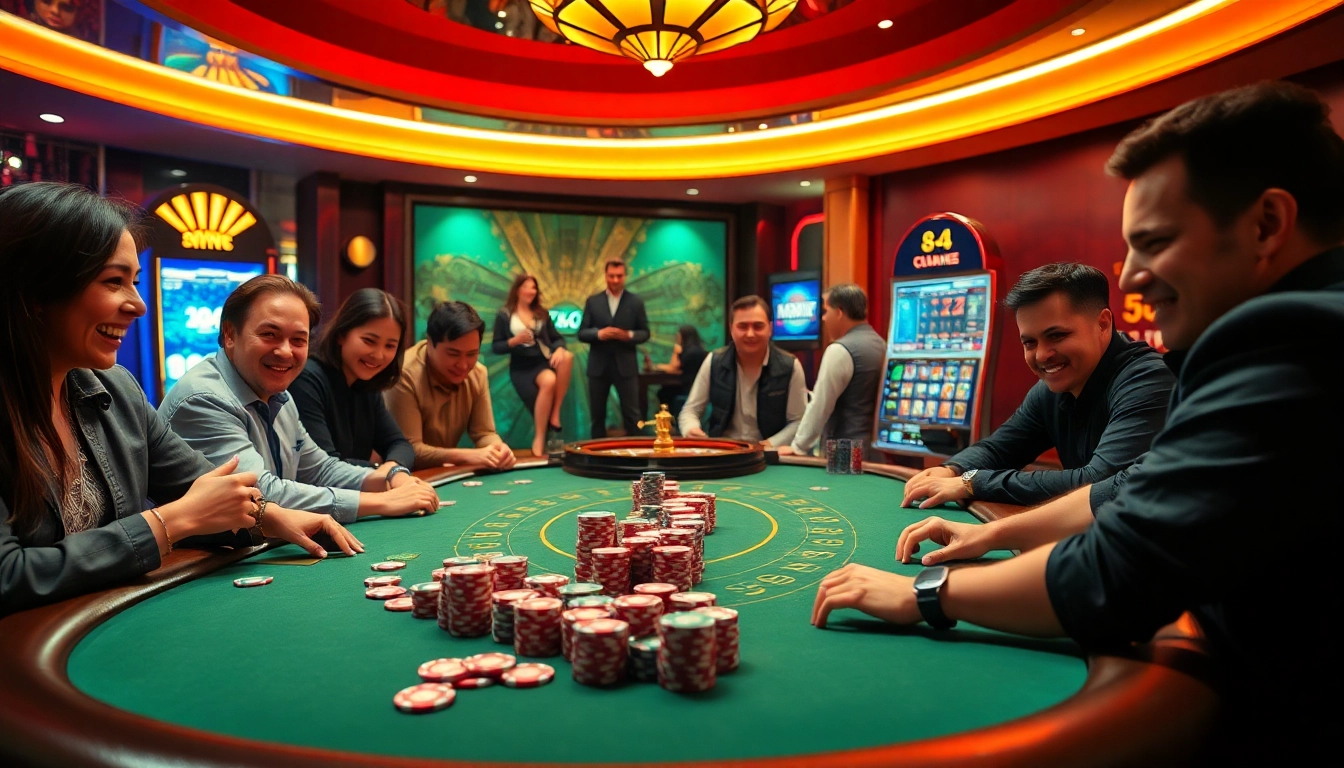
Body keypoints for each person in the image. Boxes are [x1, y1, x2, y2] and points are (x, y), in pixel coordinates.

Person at [813, 81, 1344, 759]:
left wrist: (927, 590)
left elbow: (1117, 570)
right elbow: (1132, 488)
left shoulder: (1293, 337)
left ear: (1267, 224)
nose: (1131, 280)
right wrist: (985, 537)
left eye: (1155, 242)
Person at [0, 183, 361, 615]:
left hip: (114, 624)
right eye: (113, 282)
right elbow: (9, 575)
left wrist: (271, 519)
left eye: (134, 282)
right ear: (37, 291)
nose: (137, 305)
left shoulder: (118, 390)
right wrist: (170, 521)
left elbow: (201, 485)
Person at [159, 275, 441, 524]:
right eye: (270, 334)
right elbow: (260, 494)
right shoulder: (204, 399)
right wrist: (382, 502)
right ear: (230, 334)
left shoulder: (280, 394)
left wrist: (390, 476)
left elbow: (319, 468)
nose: (285, 351)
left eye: (298, 340)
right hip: (195, 565)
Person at [900, 262, 1173, 508]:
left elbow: (1097, 484)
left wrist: (971, 482)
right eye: (1029, 342)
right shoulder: (1054, 387)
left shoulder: (1148, 380)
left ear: (1103, 324)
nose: (1041, 355)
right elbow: (1000, 448)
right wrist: (952, 470)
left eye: (1056, 335)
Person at [289, 288, 416, 470]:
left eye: (390, 346)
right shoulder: (307, 379)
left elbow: (400, 445)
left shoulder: (367, 384)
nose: (379, 355)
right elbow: (325, 467)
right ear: (342, 334)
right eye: (369, 341)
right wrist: (387, 472)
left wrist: (393, 468)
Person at [386, 301, 517, 471]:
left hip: (442, 472)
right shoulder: (404, 374)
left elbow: (484, 433)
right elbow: (408, 450)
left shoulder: (477, 373)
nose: (463, 365)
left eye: (472, 354)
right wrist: (466, 456)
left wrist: (498, 450)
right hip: (396, 477)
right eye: (453, 354)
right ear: (430, 342)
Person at [679, 295, 807, 448]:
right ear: (731, 328)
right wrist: (691, 429)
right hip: (725, 452)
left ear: (770, 329)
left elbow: (799, 421)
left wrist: (767, 445)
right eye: (743, 326)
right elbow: (690, 410)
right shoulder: (714, 361)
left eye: (758, 326)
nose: (750, 334)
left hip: (769, 454)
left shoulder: (790, 366)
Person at [778, 284, 884, 459]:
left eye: (826, 311)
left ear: (840, 312)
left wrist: (798, 447)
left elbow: (821, 405)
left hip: (844, 450)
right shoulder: (880, 344)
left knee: (841, 488)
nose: (824, 318)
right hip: (873, 450)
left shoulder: (840, 349)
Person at [491, 275, 574, 456]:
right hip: (521, 368)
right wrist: (515, 340)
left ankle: (546, 428)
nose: (531, 291)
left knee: (555, 373)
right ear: (518, 289)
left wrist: (559, 348)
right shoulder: (505, 315)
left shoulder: (541, 313)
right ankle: (544, 435)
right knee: (537, 401)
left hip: (541, 362)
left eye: (534, 288)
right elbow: (496, 346)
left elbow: (557, 338)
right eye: (527, 287)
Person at [578, 259, 649, 437]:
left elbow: (645, 332)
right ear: (606, 276)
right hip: (598, 366)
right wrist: (598, 334)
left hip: (626, 366)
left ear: (625, 276)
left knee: (633, 415)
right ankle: (596, 459)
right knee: (597, 416)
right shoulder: (593, 301)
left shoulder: (636, 302)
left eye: (619, 276)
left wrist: (629, 335)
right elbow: (582, 333)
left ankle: (635, 459)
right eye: (612, 276)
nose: (615, 280)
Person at [644, 324, 708, 415]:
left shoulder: (692, 352)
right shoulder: (693, 350)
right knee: (663, 391)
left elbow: (673, 368)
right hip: (688, 384)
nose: (677, 338)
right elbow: (677, 368)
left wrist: (676, 351)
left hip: (690, 387)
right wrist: (656, 366)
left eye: (678, 335)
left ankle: (669, 421)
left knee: (664, 393)